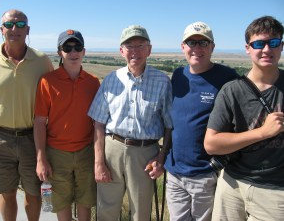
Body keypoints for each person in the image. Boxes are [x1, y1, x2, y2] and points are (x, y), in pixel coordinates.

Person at [88, 25, 173, 221]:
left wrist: (161, 158)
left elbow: (170, 125)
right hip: (112, 150)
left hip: (145, 155)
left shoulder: (162, 82)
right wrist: (99, 162)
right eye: (129, 46)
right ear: (121, 51)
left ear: (149, 50)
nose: (135, 51)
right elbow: (98, 123)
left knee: (141, 212)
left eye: (140, 45)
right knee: (106, 210)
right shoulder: (111, 79)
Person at [204, 16, 284, 221]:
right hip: (232, 183)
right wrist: (263, 132)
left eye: (273, 42)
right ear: (247, 48)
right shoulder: (232, 91)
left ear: (281, 46)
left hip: (275, 191)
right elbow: (211, 144)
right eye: (259, 43)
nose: (267, 49)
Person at [163, 22, 239, 221]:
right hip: (175, 172)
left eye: (203, 43)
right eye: (191, 42)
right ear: (183, 47)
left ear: (212, 47)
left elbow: (240, 117)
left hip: (205, 172)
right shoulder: (179, 75)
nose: (197, 48)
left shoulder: (227, 77)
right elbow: (172, 121)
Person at [0, 9, 53, 221]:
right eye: (10, 24)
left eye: (21, 25)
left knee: (33, 193)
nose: (15, 29)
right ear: (1, 29)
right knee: (7, 192)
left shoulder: (41, 61)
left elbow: (52, 101)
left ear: (28, 29)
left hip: (32, 138)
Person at [34, 29, 100, 221]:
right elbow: (39, 122)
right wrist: (41, 159)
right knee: (61, 204)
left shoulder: (93, 82)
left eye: (77, 47)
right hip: (56, 154)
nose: (73, 52)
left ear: (84, 51)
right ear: (59, 53)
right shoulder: (47, 81)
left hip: (86, 152)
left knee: (85, 203)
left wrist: (98, 158)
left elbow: (98, 122)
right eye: (67, 47)